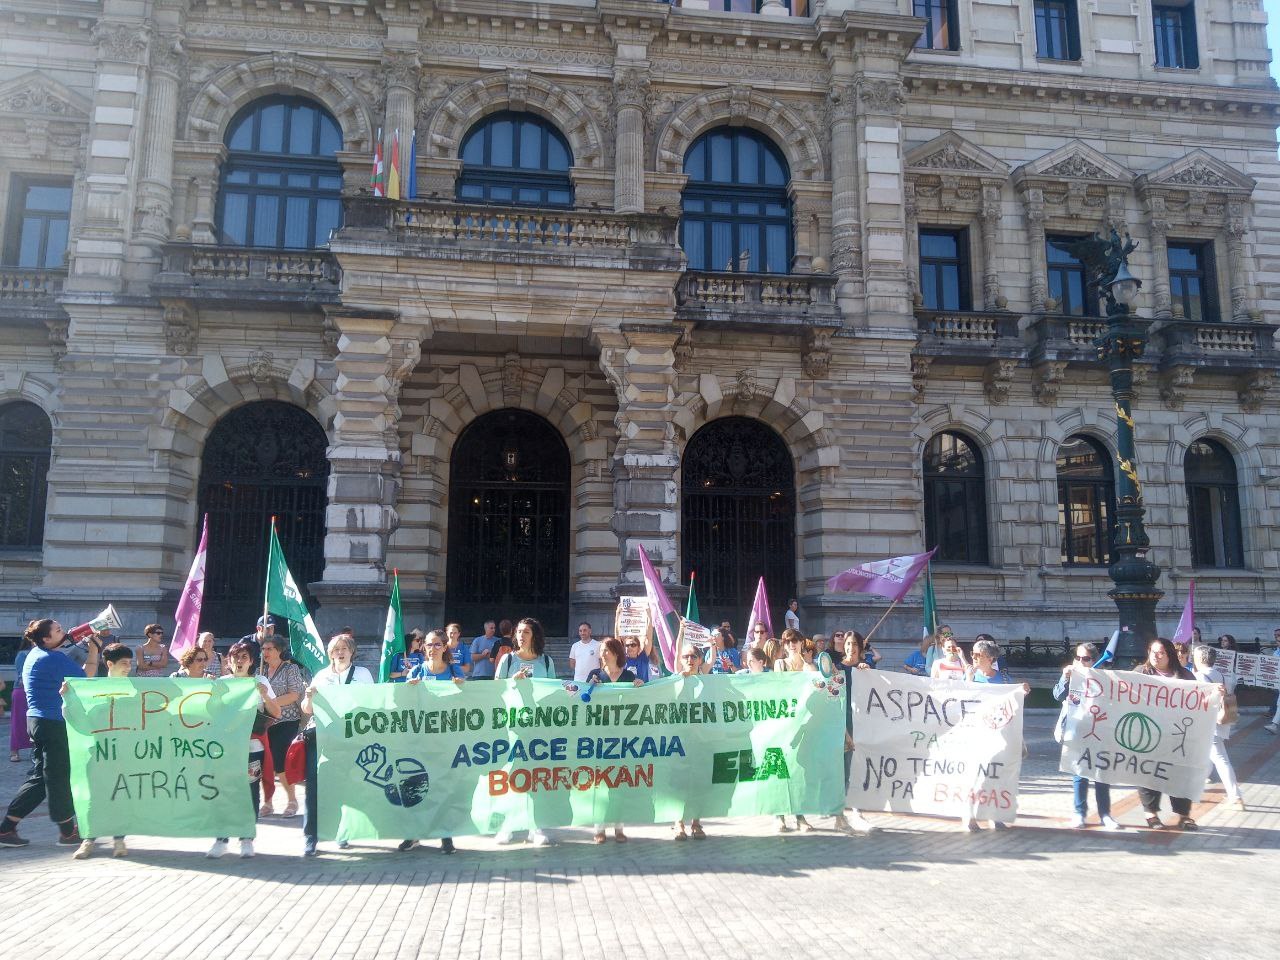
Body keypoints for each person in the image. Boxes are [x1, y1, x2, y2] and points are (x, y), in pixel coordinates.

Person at [0, 619, 100, 848]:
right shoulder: (52, 658)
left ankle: (6, 829)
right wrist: (94, 651)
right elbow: (85, 680)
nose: (63, 633)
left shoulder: (34, 654)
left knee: (40, 778)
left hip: (37, 721)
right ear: (46, 638)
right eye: (58, 630)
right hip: (53, 723)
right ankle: (67, 833)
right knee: (58, 778)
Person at [299, 634, 374, 856]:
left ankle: (344, 830)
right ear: (330, 654)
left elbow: (371, 702)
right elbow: (307, 709)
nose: (340, 653)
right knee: (314, 786)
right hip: (322, 737)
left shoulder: (362, 674)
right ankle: (311, 836)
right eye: (335, 650)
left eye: (344, 649)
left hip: (351, 738)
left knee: (347, 786)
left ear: (352, 652)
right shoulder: (321, 676)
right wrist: (309, 697)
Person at [208, 640, 280, 859]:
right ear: (229, 661)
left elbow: (276, 712)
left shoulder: (260, 681)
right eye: (235, 657)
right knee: (224, 791)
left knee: (249, 790)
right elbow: (210, 713)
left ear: (251, 661)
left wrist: (265, 695)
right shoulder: (221, 683)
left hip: (252, 746)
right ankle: (221, 838)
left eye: (244, 657)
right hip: (226, 748)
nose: (239, 661)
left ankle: (247, 837)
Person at [399, 630, 465, 855]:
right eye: (429, 645)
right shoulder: (416, 671)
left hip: (445, 741)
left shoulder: (455, 672)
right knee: (415, 786)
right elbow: (404, 704)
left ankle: (445, 835)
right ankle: (413, 833)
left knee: (442, 788)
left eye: (437, 645)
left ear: (445, 647)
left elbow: (467, 703)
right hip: (419, 740)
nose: (432, 649)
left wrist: (462, 689)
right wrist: (409, 689)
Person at [493, 618, 555, 847]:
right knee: (511, 775)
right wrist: (511, 682)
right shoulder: (508, 659)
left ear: (535, 635)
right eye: (519, 632)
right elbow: (495, 689)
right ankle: (507, 826)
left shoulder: (546, 661)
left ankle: (534, 826)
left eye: (526, 632)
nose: (521, 635)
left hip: (538, 725)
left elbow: (553, 692)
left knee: (536, 775)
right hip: (513, 725)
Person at [72, 643, 135, 859]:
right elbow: (79, 714)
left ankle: (119, 839)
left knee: (121, 794)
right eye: (124, 663)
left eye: (130, 663)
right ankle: (88, 840)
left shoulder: (136, 688)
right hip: (98, 750)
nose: (128, 667)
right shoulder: (94, 687)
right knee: (94, 796)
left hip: (125, 750)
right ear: (110, 664)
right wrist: (67, 697)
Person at [1054, 643, 1123, 831]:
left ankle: (1105, 814)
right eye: (1078, 658)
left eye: (1086, 659)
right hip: (1077, 730)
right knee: (1080, 773)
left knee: (1101, 773)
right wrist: (1064, 677)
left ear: (1095, 660)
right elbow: (1058, 696)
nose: (1081, 662)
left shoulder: (1105, 678)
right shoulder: (1072, 676)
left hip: (1100, 730)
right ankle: (1079, 812)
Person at [1134, 637, 1197, 830]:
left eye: (1161, 652)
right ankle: (1151, 814)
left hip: (1177, 735)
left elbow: (1199, 699)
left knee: (1179, 773)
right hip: (1149, 734)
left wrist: (1216, 692)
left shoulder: (1185, 676)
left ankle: (1183, 815)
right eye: (1153, 652)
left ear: (1170, 654)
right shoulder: (1140, 673)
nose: (1156, 656)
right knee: (1149, 773)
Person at [585, 637, 641, 843]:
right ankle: (599, 828)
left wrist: (639, 687)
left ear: (617, 653)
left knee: (619, 782)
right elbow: (583, 701)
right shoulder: (595, 675)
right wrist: (589, 687)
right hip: (600, 736)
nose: (603, 654)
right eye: (601, 651)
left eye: (606, 650)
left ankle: (619, 827)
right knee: (600, 782)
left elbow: (639, 700)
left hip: (623, 736)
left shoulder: (628, 675)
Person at [1192, 644, 1245, 810]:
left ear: (1200, 659)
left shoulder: (1199, 677)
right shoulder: (1221, 675)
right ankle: (1194, 789)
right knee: (1206, 759)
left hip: (1208, 724)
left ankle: (1235, 796)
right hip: (1221, 721)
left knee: (1220, 760)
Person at [260, 636, 307, 817]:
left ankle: (292, 800)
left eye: (269, 649)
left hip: (287, 720)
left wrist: (269, 702)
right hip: (265, 722)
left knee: (280, 760)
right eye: (264, 649)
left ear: (279, 650)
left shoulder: (290, 669)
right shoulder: (260, 671)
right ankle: (268, 802)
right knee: (265, 763)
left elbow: (294, 695)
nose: (266, 653)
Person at [673, 645, 708, 840]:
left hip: (701, 740)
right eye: (685, 656)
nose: (689, 660)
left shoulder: (708, 683)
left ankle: (696, 822)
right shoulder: (674, 681)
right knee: (680, 783)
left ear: (700, 660)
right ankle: (678, 823)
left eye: (693, 656)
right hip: (679, 740)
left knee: (699, 782)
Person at [9, 636, 34, 763]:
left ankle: (35, 751)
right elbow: (22, 675)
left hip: (35, 690)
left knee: (35, 722)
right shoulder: (23, 654)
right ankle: (14, 750)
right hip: (22, 690)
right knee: (18, 721)